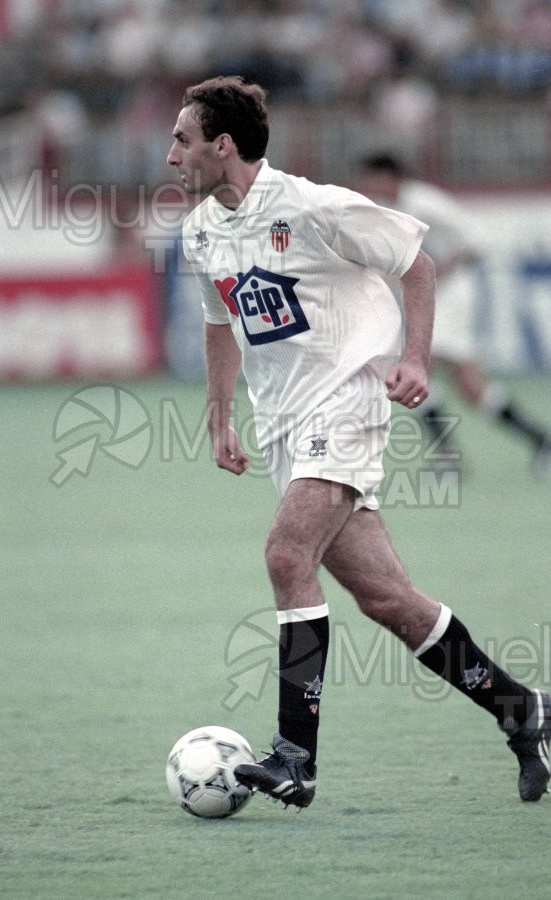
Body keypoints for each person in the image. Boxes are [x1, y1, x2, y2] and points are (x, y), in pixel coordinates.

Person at [166, 76, 550, 809]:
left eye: (181, 140)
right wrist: (219, 416)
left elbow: (417, 264)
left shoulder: (312, 207)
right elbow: (221, 323)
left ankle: (295, 758)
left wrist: (416, 359)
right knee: (387, 599)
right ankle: (520, 709)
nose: (169, 155)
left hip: (345, 405)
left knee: (286, 556)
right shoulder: (201, 231)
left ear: (223, 146)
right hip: (285, 427)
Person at [357, 153, 551, 475]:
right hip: (434, 297)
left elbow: (476, 240)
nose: (368, 185)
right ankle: (540, 440)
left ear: (390, 176)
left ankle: (448, 457)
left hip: (452, 296)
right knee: (471, 387)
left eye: (372, 178)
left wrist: (437, 272)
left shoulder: (423, 201)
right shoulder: (390, 207)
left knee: (418, 367)